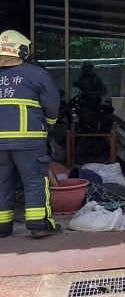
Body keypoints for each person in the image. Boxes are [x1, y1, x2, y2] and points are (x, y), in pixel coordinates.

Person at [0, 30, 61, 238]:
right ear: (23, 50)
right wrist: (50, 125)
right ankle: (38, 225)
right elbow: (52, 104)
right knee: (34, 181)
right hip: (29, 141)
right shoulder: (36, 74)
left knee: (2, 182)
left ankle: (2, 226)